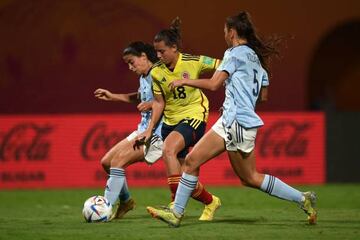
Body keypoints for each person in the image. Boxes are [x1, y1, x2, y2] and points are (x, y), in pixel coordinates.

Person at [146, 11, 317, 227]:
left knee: (250, 178)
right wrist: (240, 94)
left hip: (237, 122)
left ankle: (302, 198)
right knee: (191, 161)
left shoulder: (233, 53)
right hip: (232, 119)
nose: (224, 35)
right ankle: (176, 213)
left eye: (225, 31)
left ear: (233, 32)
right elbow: (262, 97)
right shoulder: (257, 59)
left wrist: (185, 82)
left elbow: (213, 84)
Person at [139, 17, 222, 221]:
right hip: (170, 122)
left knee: (168, 149)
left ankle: (175, 206)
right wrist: (150, 130)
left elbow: (223, 65)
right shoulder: (157, 71)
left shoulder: (193, 62)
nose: (157, 56)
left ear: (174, 47)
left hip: (194, 116)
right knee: (187, 175)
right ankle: (211, 202)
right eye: (156, 52)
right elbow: (159, 102)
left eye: (162, 51)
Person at [94, 41, 163, 220]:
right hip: (143, 129)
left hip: (157, 133)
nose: (130, 67)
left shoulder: (159, 74)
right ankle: (126, 201)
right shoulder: (144, 77)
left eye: (132, 62)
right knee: (106, 162)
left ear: (143, 56)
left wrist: (152, 105)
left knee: (118, 162)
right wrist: (113, 96)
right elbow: (139, 97)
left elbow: (169, 101)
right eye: (127, 64)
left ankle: (104, 211)